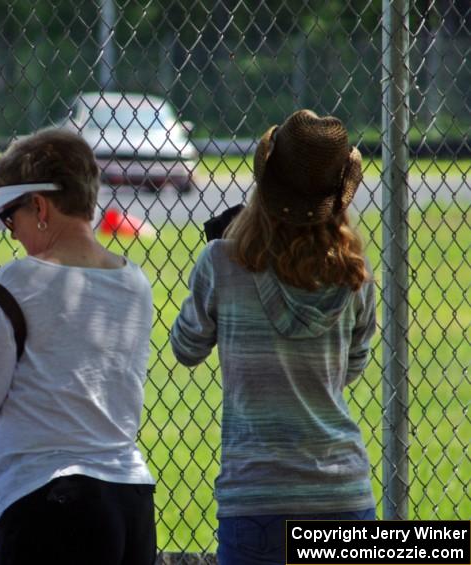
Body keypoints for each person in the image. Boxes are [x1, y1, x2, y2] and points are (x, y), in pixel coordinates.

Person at [0, 128, 157, 565]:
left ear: (39, 206)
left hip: (50, 502)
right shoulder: (134, 281)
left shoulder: (18, 280)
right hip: (130, 497)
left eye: (10, 218)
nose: (11, 234)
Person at [169, 109, 377, 565]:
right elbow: (350, 368)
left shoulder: (221, 263)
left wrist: (226, 251)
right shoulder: (355, 276)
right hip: (343, 491)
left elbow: (186, 347)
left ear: (265, 183)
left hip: (256, 496)